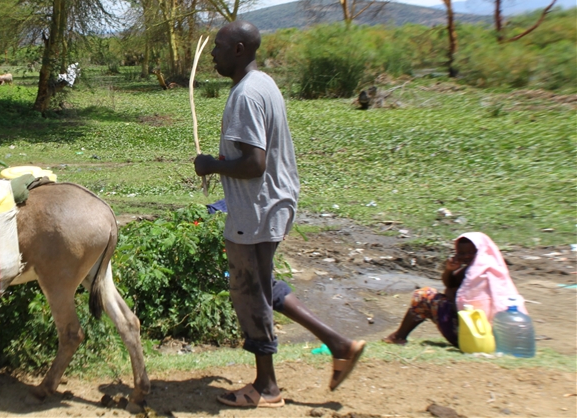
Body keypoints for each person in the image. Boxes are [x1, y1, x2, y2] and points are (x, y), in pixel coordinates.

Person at [194, 20, 366, 408]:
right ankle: (339, 344)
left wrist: (211, 165)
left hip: (257, 208)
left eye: (219, 46)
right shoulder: (263, 83)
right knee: (263, 285)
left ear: (239, 49)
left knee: (249, 290)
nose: (213, 54)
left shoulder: (246, 95)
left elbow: (254, 164)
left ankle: (267, 388)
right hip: (271, 203)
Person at [384, 232, 525, 347]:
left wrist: (452, 297)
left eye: (471, 252)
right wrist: (449, 270)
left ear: (481, 251)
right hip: (498, 341)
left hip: (474, 338)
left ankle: (398, 336)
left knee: (423, 296)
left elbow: (458, 296)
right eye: (462, 253)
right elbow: (450, 284)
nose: (466, 256)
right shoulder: (489, 269)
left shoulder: (481, 271)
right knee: (442, 296)